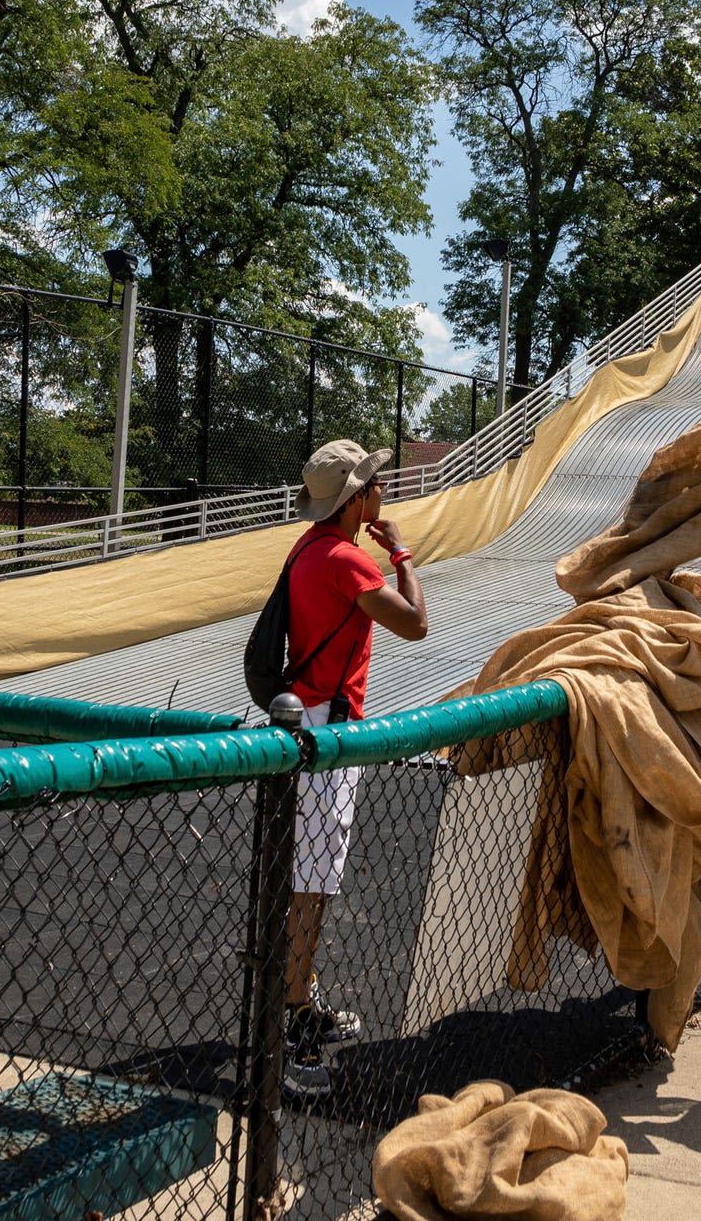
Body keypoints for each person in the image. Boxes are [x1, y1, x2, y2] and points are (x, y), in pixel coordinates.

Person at [278, 438, 429, 1097]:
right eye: (374, 483)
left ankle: (298, 1002)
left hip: (310, 721)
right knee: (311, 882)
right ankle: (289, 1025)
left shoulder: (309, 548)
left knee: (310, 878)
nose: (382, 490)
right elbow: (417, 623)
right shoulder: (346, 560)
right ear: (355, 500)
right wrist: (401, 552)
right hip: (326, 731)